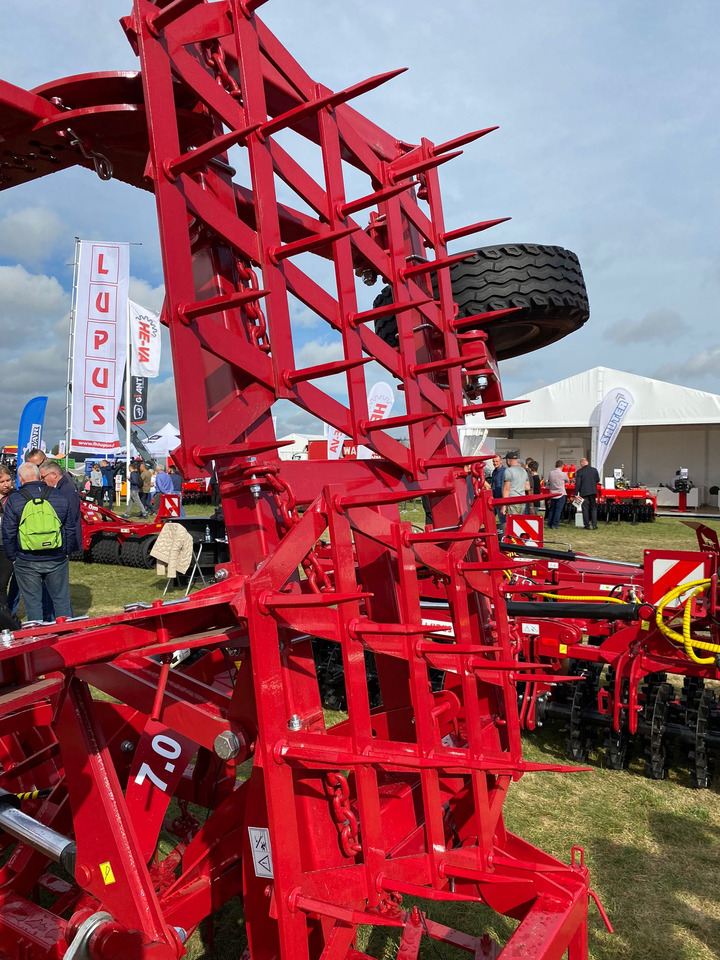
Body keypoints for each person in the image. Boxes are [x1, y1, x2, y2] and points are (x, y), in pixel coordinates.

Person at [2, 462, 72, 623]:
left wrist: (12, 556)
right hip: (56, 556)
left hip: (26, 558)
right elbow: (70, 526)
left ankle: (38, 638)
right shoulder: (58, 496)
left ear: (20, 478)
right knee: (61, 601)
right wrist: (66, 551)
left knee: (32, 604)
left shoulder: (15, 499)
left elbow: (8, 531)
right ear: (40, 477)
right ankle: (67, 635)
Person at [39, 459, 82, 619]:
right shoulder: (62, 488)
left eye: (43, 477)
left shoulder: (66, 490)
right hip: (61, 542)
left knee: (58, 589)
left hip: (62, 543)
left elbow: (67, 518)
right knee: (55, 587)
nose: (41, 481)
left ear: (54, 475)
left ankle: (63, 619)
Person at [0, 466, 15, 608]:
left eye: (8, 480)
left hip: (7, 546)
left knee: (2, 583)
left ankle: (2, 617)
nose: (6, 484)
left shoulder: (14, 497)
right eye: (2, 481)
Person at [502, 451, 530, 516]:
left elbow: (506, 489)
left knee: (512, 522)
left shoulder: (508, 471)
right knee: (519, 522)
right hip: (522, 501)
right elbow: (527, 487)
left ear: (508, 460)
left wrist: (504, 505)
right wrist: (518, 486)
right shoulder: (523, 471)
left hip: (512, 501)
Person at [575, 456, 600, 530]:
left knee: (585, 508)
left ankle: (587, 525)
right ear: (587, 462)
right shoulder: (594, 470)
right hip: (593, 491)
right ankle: (594, 525)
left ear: (581, 463)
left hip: (584, 492)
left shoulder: (580, 471)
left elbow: (578, 483)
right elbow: (597, 480)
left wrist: (576, 493)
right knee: (593, 508)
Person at [546, 460, 569, 530]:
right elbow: (567, 480)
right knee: (558, 510)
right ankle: (555, 525)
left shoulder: (551, 473)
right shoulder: (563, 474)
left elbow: (549, 480)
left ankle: (549, 523)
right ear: (562, 466)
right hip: (561, 493)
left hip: (552, 493)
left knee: (552, 509)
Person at [488, 454, 506, 532]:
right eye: (494, 461)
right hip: (494, 498)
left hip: (500, 499)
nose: (495, 463)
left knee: (503, 519)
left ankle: (505, 533)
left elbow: (503, 486)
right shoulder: (494, 472)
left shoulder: (504, 471)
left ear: (501, 461)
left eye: (497, 461)